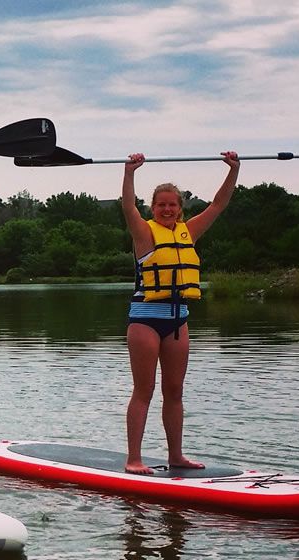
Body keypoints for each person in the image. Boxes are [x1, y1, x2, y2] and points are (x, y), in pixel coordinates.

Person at [121, 151, 239, 475]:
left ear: (180, 208)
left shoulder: (189, 231)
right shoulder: (144, 233)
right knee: (143, 390)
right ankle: (134, 458)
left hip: (178, 320)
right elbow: (127, 206)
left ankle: (176, 456)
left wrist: (234, 170)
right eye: (161, 205)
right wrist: (130, 172)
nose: (167, 209)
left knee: (174, 391)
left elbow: (218, 205)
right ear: (153, 208)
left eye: (173, 204)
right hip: (145, 320)